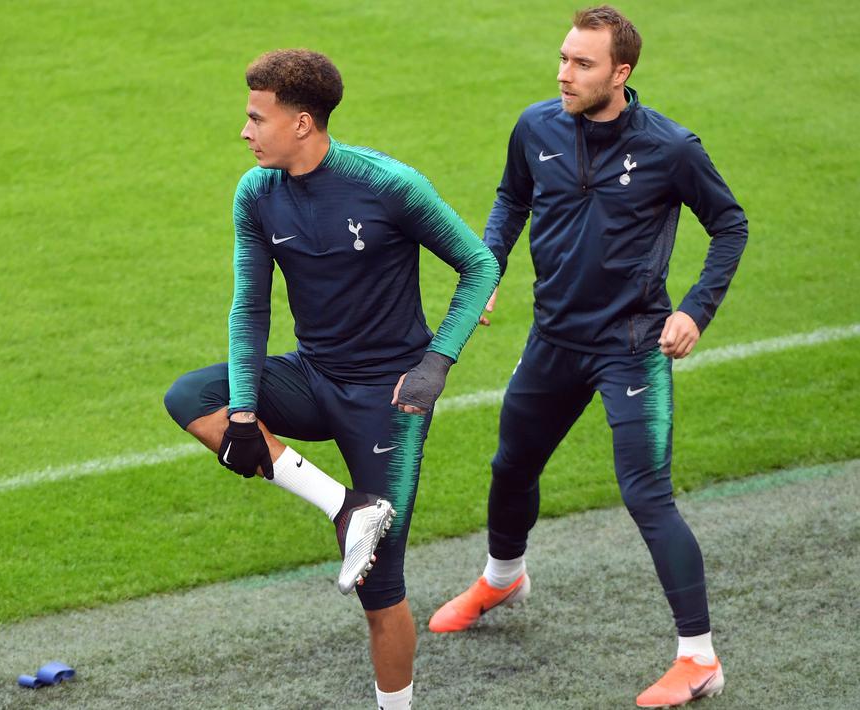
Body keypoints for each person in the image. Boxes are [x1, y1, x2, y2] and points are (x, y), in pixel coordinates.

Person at [426, 6, 747, 707]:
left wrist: (694, 308)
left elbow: (728, 224)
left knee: (646, 496)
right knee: (510, 465)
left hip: (630, 349)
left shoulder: (671, 148)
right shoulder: (534, 125)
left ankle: (698, 660)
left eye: (581, 64)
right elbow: (512, 198)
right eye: (563, 58)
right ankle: (503, 577)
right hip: (551, 339)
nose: (563, 73)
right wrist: (488, 268)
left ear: (620, 73)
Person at [164, 49, 499, 709]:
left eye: (257, 118)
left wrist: (436, 363)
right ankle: (343, 506)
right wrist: (240, 411)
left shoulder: (390, 185)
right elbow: (249, 308)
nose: (245, 131)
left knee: (380, 588)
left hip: (389, 400)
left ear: (302, 123)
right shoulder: (256, 194)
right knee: (192, 397)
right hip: (312, 377)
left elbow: (479, 265)